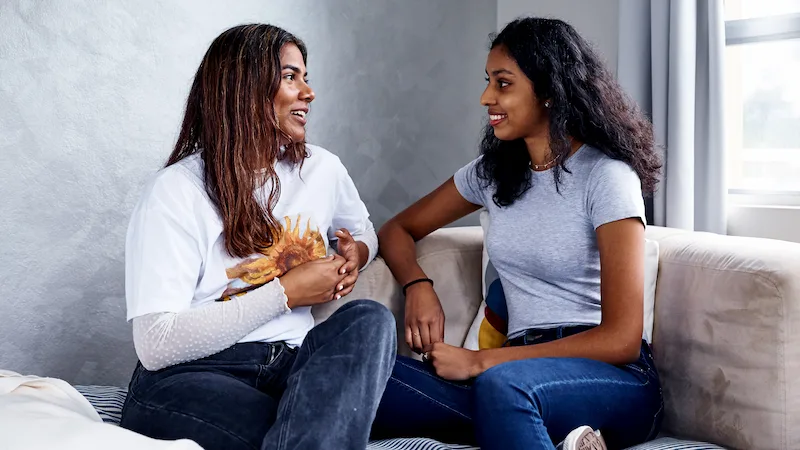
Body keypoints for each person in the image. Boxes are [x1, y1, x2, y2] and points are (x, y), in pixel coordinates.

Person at [371, 17, 664, 450]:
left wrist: (481, 361)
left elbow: (621, 339)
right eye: (489, 81)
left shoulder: (606, 177)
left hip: (610, 378)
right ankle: (559, 437)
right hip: (514, 370)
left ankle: (535, 421)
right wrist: (417, 285)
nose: (486, 97)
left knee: (506, 388)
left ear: (549, 92)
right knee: (361, 373)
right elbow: (397, 228)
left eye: (503, 84)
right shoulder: (492, 174)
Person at [119, 24, 396, 450]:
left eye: (305, 77)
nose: (309, 92)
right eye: (290, 77)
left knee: (370, 322)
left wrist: (355, 254)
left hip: (296, 365)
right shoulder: (176, 191)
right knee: (304, 427)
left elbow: (363, 233)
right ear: (242, 89)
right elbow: (156, 344)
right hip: (193, 374)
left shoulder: (321, 169)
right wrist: (285, 292)